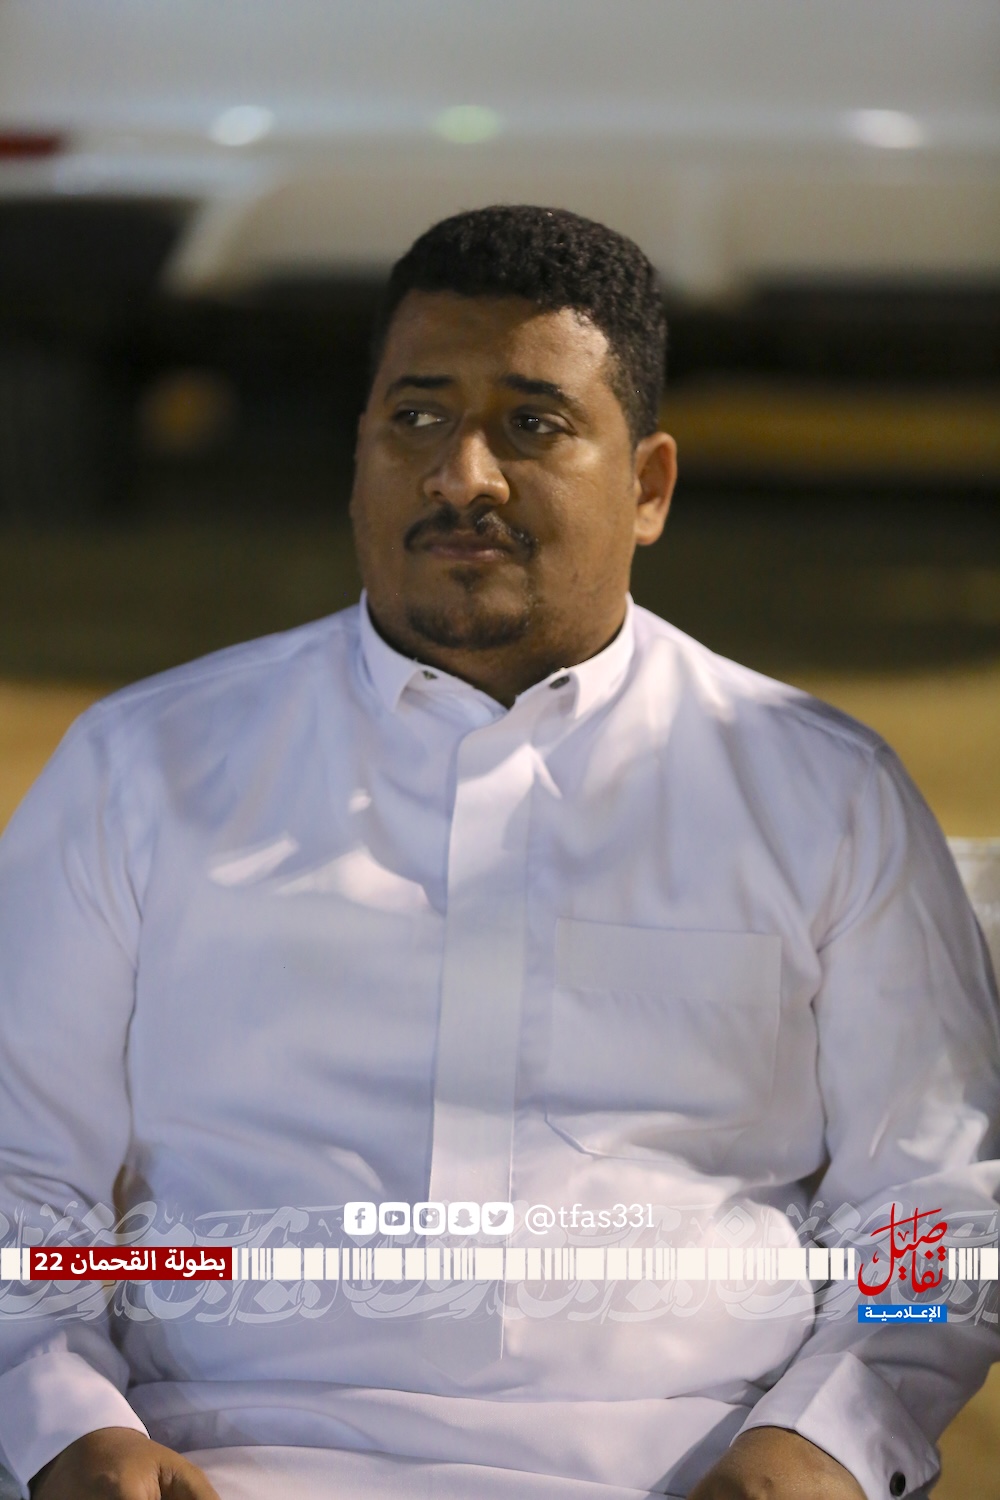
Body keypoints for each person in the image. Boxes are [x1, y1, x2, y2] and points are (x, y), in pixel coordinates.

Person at [0, 206, 997, 1500]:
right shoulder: (144, 767)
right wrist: (66, 1425)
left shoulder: (822, 790)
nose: (460, 474)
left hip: (688, 1468)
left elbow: (931, 1212)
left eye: (533, 424)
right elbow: (21, 1179)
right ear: (359, 456)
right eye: (415, 417)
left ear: (648, 487)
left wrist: (828, 1443)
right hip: (225, 1457)